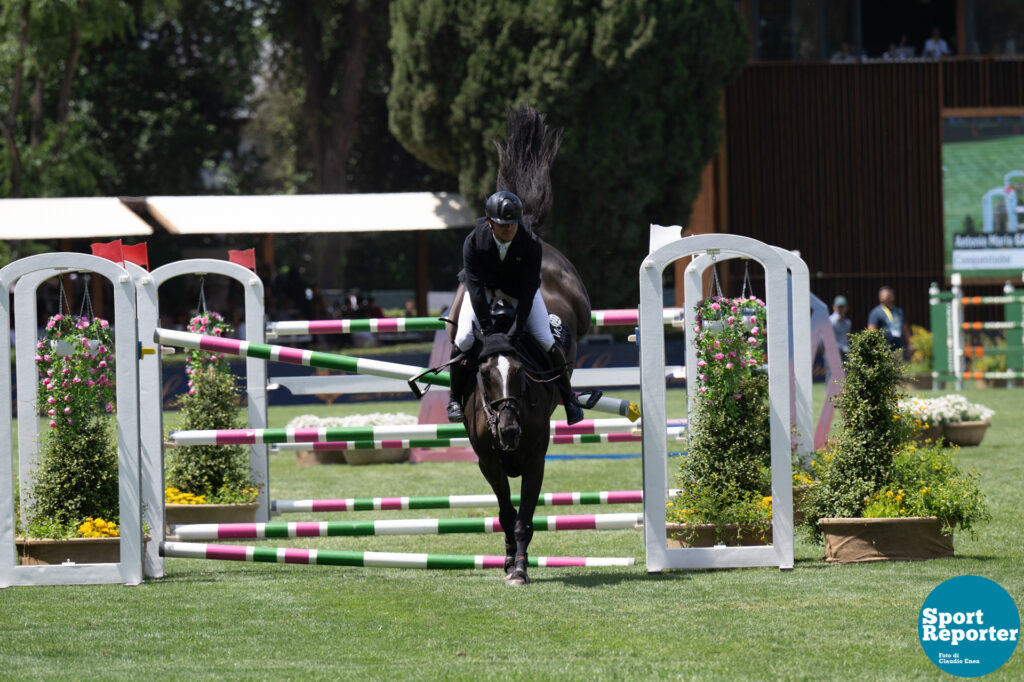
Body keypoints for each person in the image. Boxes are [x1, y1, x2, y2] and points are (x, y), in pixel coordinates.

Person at [446, 190, 584, 425]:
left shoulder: (530, 243)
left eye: (512, 223)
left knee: (545, 339)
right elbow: (476, 291)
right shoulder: (473, 242)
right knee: (464, 338)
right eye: (502, 224)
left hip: (520, 293)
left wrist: (516, 331)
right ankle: (454, 400)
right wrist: (489, 332)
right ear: (490, 222)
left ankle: (569, 398)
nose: (508, 229)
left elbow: (530, 290)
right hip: (484, 291)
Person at [867, 285, 910, 357]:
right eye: (882, 295)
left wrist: (910, 344)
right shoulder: (876, 312)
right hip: (883, 350)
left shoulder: (898, 311)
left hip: (898, 348)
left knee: (897, 368)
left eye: (887, 295)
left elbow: (904, 329)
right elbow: (871, 331)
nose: (885, 298)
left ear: (892, 296)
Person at [829, 295, 852, 359]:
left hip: (845, 355)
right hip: (832, 354)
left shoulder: (848, 322)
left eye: (842, 307)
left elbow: (847, 340)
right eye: (839, 307)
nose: (840, 309)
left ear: (846, 307)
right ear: (834, 307)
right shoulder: (830, 321)